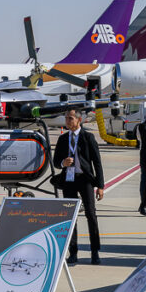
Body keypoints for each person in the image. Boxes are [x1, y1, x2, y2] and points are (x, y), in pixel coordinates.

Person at [53, 109, 105, 265]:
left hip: (85, 179)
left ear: (79, 120)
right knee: (70, 216)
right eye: (66, 119)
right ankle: (73, 251)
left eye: (70, 118)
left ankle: (95, 251)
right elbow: (56, 161)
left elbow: (97, 162)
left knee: (91, 214)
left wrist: (100, 186)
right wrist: (63, 163)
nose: (68, 121)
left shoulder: (88, 137)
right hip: (69, 180)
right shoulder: (63, 139)